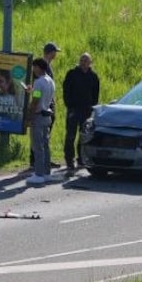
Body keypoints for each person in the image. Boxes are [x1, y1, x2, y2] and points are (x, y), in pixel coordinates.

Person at [62, 52, 100, 173]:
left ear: (90, 63)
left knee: (84, 137)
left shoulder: (93, 76)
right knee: (70, 136)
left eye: (86, 61)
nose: (83, 63)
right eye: (82, 60)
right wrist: (69, 106)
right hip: (73, 110)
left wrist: (92, 108)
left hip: (87, 110)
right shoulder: (72, 74)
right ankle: (69, 160)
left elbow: (95, 94)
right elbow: (66, 91)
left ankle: (81, 159)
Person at [25, 58, 56, 186]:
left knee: (37, 146)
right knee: (45, 145)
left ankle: (38, 174)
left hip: (38, 116)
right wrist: (32, 91)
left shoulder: (38, 82)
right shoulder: (50, 81)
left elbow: (36, 100)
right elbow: (41, 94)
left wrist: (29, 117)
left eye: (34, 67)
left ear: (38, 67)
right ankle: (46, 172)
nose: (33, 69)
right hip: (47, 115)